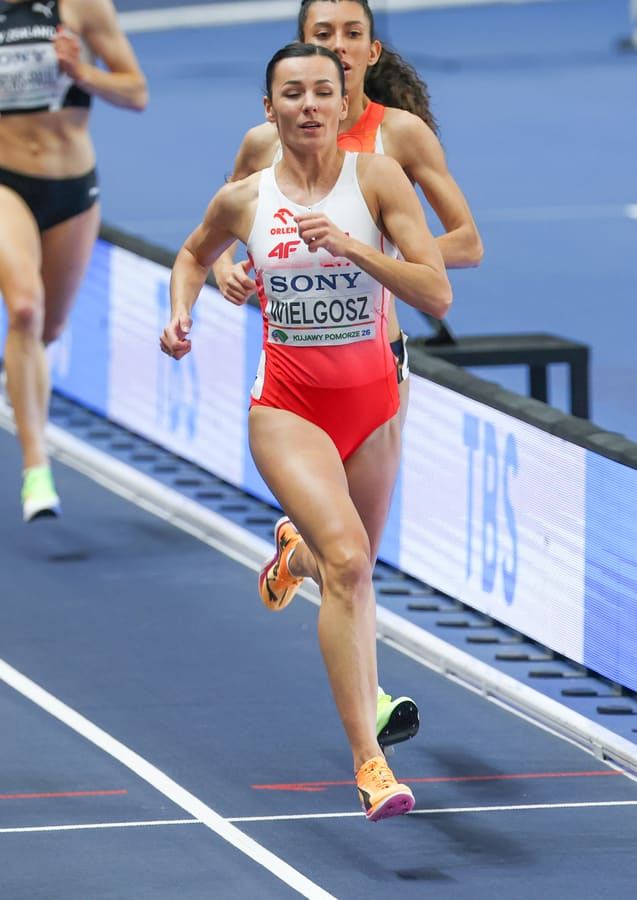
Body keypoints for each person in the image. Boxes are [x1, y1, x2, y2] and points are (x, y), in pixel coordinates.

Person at [161, 42, 452, 821]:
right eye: (292, 94)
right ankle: (369, 764)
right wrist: (183, 309)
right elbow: (191, 254)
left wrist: (353, 247)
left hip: (374, 407)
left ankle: (294, 554)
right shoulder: (245, 199)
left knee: (349, 572)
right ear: (270, 109)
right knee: (349, 563)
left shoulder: (378, 179)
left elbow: (436, 293)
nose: (310, 105)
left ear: (343, 100)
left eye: (323, 91)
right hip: (288, 409)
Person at [211, 0, 483, 748]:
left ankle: (292, 555)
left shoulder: (399, 137)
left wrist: (376, 242)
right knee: (350, 562)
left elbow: (465, 243)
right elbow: (229, 230)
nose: (338, 45)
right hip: (300, 373)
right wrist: (230, 269)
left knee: (354, 554)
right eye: (322, 34)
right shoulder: (267, 138)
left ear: (370, 49)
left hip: (378, 366)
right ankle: (373, 715)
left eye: (351, 34)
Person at [0, 0, 148, 522]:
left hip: (73, 190)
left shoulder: (83, 7)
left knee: (48, 329)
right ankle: (36, 469)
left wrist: (82, 71)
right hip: (5, 183)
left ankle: (17, 373)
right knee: (24, 309)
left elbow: (136, 92)